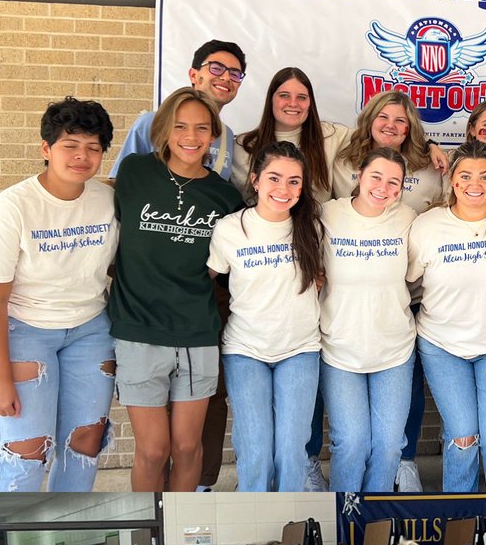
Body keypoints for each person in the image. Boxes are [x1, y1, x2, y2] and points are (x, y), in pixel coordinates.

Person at [111, 40, 248, 491]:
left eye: (202, 128)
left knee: (189, 448)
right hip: (138, 330)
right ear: (164, 129)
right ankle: (153, 535)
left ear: (214, 136)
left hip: (196, 333)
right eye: (182, 126)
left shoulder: (225, 196)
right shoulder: (134, 173)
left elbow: (227, 261)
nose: (191, 137)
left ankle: (180, 533)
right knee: (153, 450)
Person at [0, 97, 117, 491]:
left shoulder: (108, 201)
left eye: (93, 147)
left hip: (90, 330)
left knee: (85, 443)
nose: (82, 156)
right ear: (46, 148)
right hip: (24, 331)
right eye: (71, 145)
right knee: (27, 451)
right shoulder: (11, 207)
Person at [407, 141, 486, 491]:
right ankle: (460, 516)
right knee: (462, 437)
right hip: (443, 345)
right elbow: (410, 278)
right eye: (465, 175)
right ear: (452, 180)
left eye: (484, 176)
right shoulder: (427, 226)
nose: (474, 184)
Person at [207, 141, 324, 491]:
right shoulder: (230, 228)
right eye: (274, 178)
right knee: (256, 450)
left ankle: (288, 520)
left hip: (299, 349)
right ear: (255, 180)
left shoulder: (313, 229)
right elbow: (206, 282)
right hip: (246, 351)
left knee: (291, 451)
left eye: (293, 181)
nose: (283, 189)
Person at [319, 148, 417, 491]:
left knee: (390, 446)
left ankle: (374, 520)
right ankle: (345, 521)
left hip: (394, 350)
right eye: (376, 177)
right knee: (351, 445)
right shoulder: (328, 215)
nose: (384, 187)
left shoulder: (407, 218)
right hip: (340, 348)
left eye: (395, 182)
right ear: (359, 176)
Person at [111, 39, 246, 181]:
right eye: (216, 68)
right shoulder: (151, 122)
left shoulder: (227, 136)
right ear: (193, 75)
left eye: (234, 74)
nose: (226, 77)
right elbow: (120, 182)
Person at [231, 66, 350, 203]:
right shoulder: (243, 146)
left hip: (316, 223)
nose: (293, 103)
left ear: (310, 103)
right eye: (284, 95)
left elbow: (371, 135)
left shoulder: (331, 135)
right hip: (264, 223)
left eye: (301, 97)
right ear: (271, 99)